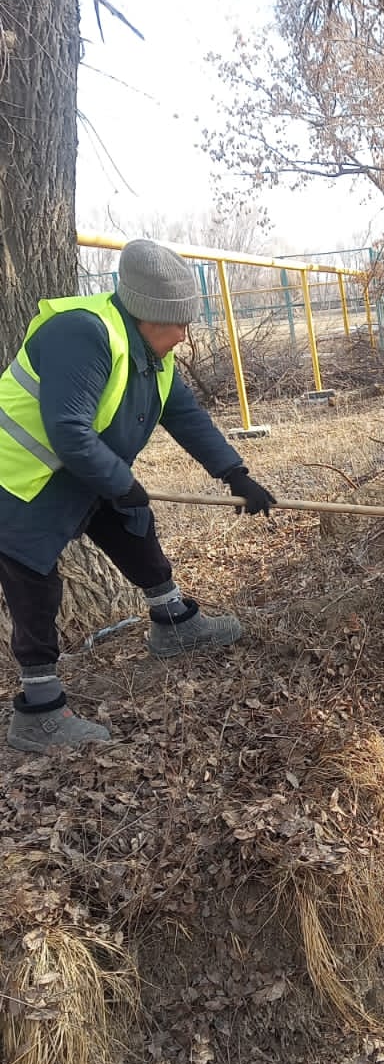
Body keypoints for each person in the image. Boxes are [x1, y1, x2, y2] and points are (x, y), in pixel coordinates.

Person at [0, 239, 276, 754]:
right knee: (34, 582)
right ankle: (38, 711)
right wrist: (120, 481)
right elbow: (67, 429)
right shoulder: (83, 333)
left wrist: (234, 474)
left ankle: (173, 623)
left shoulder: (152, 353)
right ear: (149, 315)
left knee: (133, 520)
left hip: (75, 469)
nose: (185, 335)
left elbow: (186, 416)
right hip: (17, 482)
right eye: (179, 323)